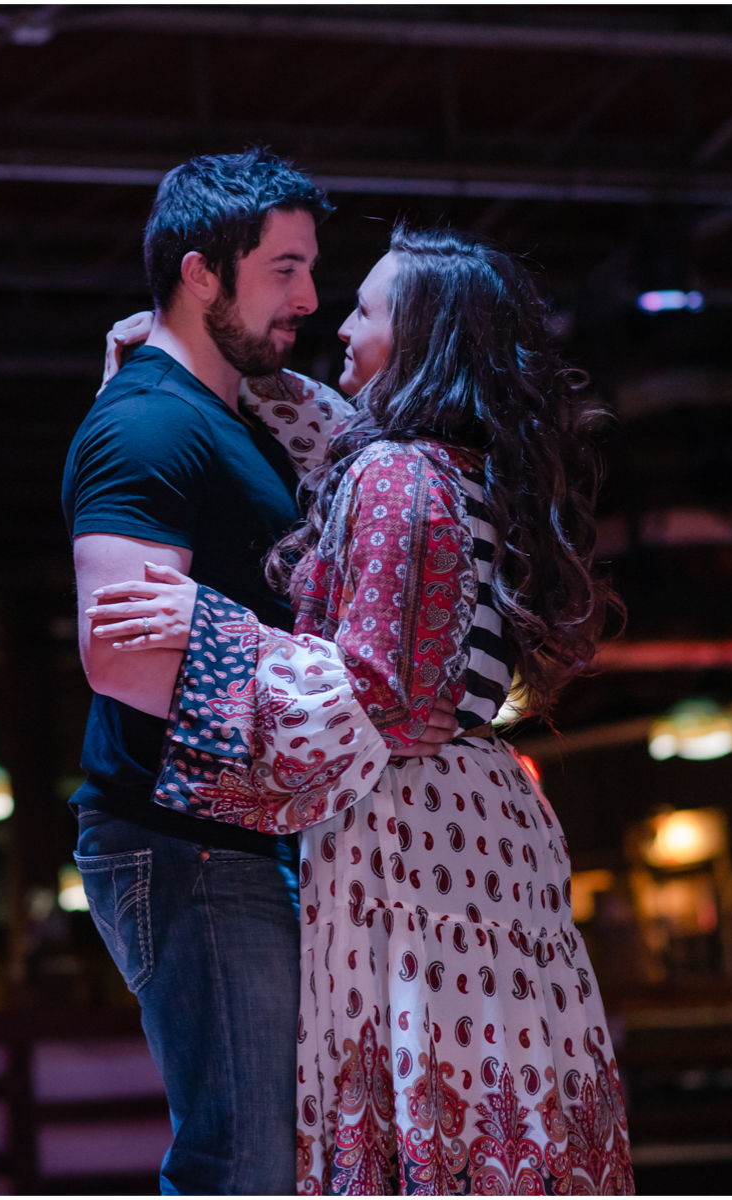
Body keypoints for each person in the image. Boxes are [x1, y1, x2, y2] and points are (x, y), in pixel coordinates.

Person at [87, 224, 635, 1194]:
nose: (338, 323)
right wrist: (212, 364)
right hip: (485, 832)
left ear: (421, 339)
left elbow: (380, 699)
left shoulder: (397, 477)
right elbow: (331, 434)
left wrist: (215, 626)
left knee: (416, 1127)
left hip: (413, 840)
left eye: (368, 311)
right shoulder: (462, 467)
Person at [61, 152, 457, 1195]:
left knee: (273, 1159)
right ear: (201, 275)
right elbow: (120, 657)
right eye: (284, 270)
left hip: (231, 840)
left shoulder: (240, 415)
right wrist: (320, 684)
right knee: (243, 1164)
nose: (310, 299)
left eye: (311, 271)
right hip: (183, 842)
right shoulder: (148, 419)